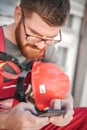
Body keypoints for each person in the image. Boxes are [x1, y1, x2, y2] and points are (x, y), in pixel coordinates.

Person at [0, 0, 87, 130]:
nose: (41, 45)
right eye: (35, 35)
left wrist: (65, 107)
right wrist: (5, 122)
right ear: (18, 15)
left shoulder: (47, 49)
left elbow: (65, 94)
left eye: (50, 38)